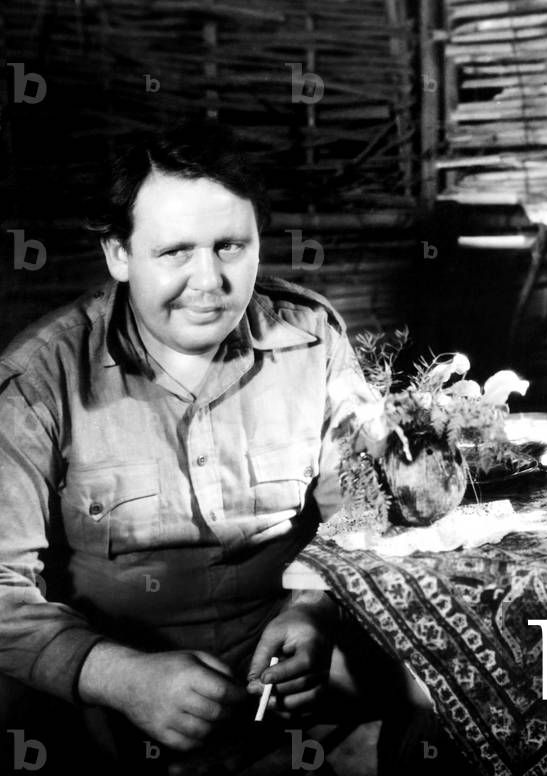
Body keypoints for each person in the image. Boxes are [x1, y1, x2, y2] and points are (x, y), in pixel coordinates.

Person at [0, 121, 420, 773]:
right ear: (118, 253)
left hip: (290, 672)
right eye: (175, 252)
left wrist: (314, 607)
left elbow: (365, 509)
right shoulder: (38, 381)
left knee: (446, 694)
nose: (209, 281)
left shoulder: (313, 341)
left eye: (231, 247)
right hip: (108, 691)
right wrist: (117, 676)